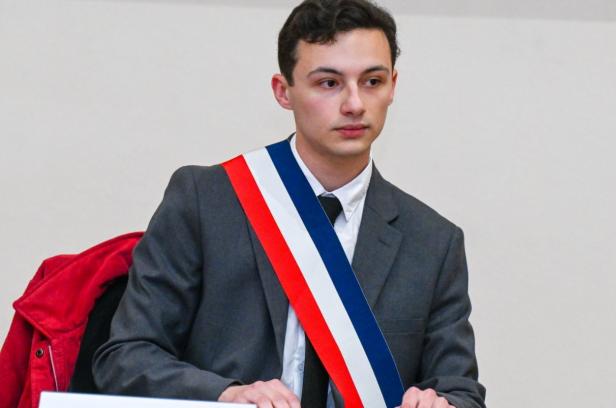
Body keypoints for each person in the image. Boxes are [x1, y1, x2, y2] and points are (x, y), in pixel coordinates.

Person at [93, 1, 486, 407]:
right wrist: (225, 395)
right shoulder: (205, 201)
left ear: (393, 86)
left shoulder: (433, 242)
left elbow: (461, 390)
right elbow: (125, 358)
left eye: (372, 81)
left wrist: (444, 403)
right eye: (329, 83)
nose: (354, 104)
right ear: (283, 91)